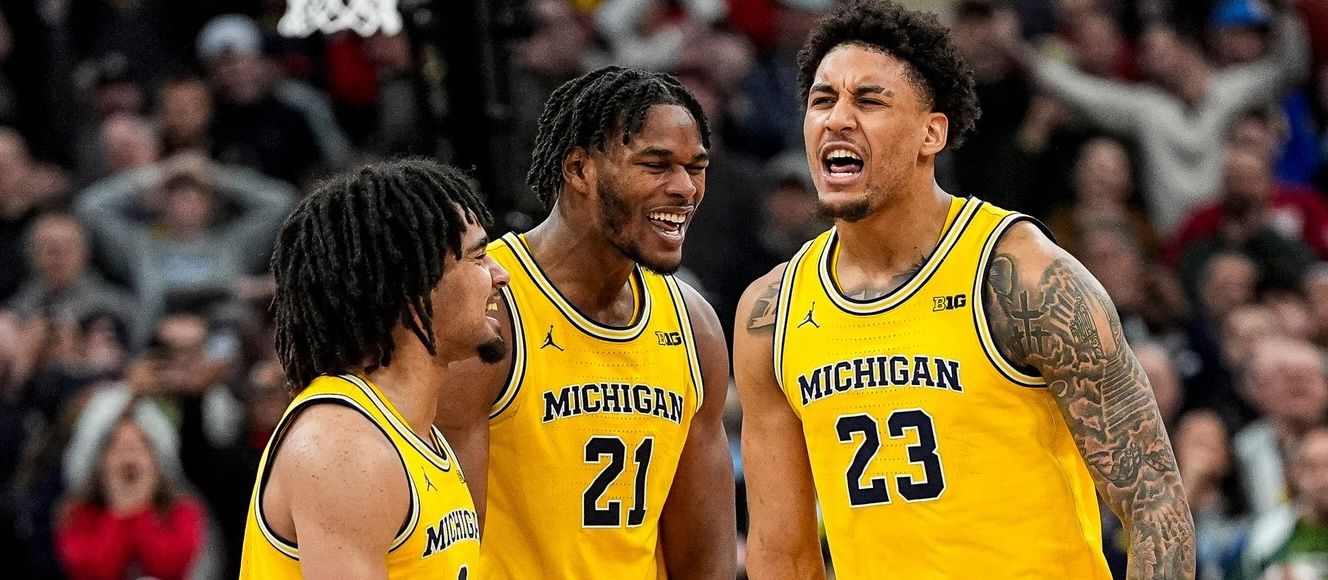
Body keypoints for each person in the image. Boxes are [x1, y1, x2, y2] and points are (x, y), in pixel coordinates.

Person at [732, 1, 1195, 578]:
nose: (837, 119)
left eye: (869, 101)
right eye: (822, 101)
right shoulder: (771, 312)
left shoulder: (1023, 276)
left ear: (932, 133)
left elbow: (1155, 505)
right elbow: (781, 551)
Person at [436, 66, 736, 578]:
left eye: (695, 167)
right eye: (656, 165)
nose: (685, 188)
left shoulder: (694, 327)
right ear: (579, 170)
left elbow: (703, 560)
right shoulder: (489, 306)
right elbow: (444, 544)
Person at [238, 159, 509, 578]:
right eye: (479, 257)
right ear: (414, 285)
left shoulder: (414, 430)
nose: (500, 275)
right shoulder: (345, 450)